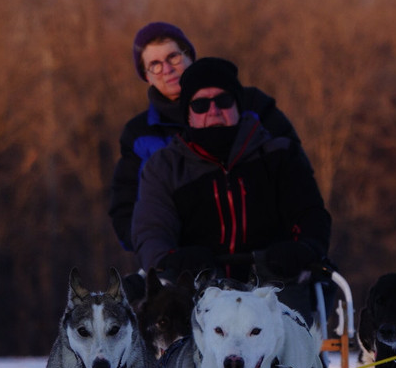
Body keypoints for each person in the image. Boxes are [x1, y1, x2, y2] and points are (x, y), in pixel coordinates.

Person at [130, 57, 331, 321]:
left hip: (274, 283)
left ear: (237, 105)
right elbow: (152, 229)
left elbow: (309, 213)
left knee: (290, 323)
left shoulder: (280, 155)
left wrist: (304, 247)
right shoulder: (165, 167)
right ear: (188, 113)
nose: (213, 111)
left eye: (223, 101)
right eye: (201, 104)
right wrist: (171, 258)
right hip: (199, 287)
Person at [109, 22, 304, 256]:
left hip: (263, 254)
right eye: (155, 65)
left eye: (173, 57)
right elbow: (125, 207)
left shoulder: (252, 105)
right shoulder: (140, 134)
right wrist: (156, 250)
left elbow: (297, 176)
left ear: (190, 56)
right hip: (185, 265)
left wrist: (295, 245)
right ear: (146, 76)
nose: (167, 69)